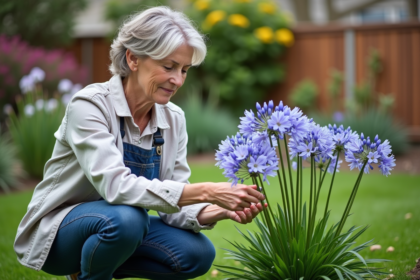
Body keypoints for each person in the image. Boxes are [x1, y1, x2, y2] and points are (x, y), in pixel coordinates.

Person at [14, 6, 266, 280]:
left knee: (197, 254)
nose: (178, 80)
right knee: (128, 219)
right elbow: (116, 187)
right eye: (168, 67)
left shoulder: (174, 119)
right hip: (59, 233)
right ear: (133, 59)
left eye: (184, 69)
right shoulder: (89, 105)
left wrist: (219, 209)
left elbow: (175, 203)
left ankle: (97, 262)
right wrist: (207, 190)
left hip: (120, 228)